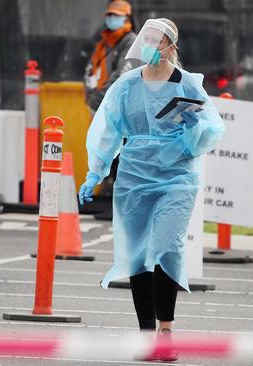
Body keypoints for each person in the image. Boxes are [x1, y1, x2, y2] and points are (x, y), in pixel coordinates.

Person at [78, 18, 224, 361]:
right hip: (134, 177)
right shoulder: (126, 85)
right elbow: (108, 131)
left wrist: (195, 126)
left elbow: (212, 131)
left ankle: (166, 331)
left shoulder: (188, 84)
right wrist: (94, 172)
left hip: (177, 177)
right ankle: (147, 337)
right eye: (145, 40)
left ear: (171, 46)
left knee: (167, 247)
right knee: (138, 256)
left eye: (156, 41)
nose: (148, 46)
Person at [83, 0, 139, 218]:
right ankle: (113, 202)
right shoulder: (104, 42)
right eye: (110, 15)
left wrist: (100, 97)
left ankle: (119, 205)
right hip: (101, 106)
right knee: (107, 151)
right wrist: (91, 95)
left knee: (119, 155)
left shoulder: (130, 42)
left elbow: (122, 75)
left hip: (118, 108)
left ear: (127, 18)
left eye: (117, 16)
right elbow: (90, 69)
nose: (112, 19)